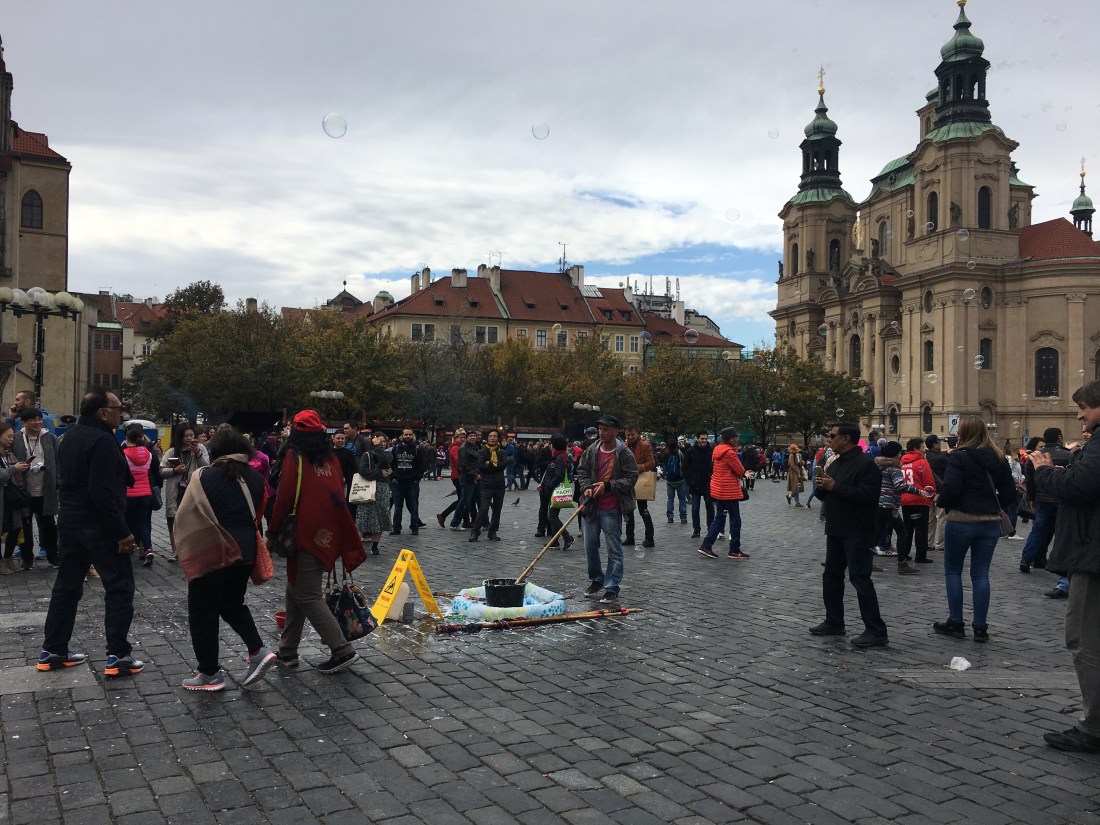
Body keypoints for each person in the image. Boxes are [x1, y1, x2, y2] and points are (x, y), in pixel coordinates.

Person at [38, 389, 144, 677]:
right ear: (102, 412)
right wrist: (122, 531)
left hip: (70, 522)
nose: (121, 414)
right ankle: (118, 655)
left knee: (67, 586)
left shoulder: (70, 436)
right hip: (100, 525)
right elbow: (101, 491)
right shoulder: (103, 440)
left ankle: (53, 649)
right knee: (120, 587)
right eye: (118, 409)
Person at [269, 410, 367, 674]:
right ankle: (287, 651)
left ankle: (342, 650)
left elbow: (284, 497)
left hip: (304, 533)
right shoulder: (331, 456)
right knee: (296, 590)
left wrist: (272, 531)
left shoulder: (294, 456)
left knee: (306, 593)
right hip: (328, 531)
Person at [177, 428, 274, 691]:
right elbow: (259, 513)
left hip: (212, 552)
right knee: (232, 603)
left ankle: (209, 673)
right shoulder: (255, 478)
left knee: (202, 613)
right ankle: (258, 650)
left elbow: (186, 514)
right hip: (245, 552)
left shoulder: (204, 476)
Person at [932, 416, 1016, 642]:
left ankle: (956, 622)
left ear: (963, 433)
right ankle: (980, 627)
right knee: (980, 574)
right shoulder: (999, 457)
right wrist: (993, 505)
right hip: (989, 522)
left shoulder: (959, 456)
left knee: (953, 571)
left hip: (961, 519)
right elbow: (1010, 493)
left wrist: (943, 503)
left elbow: (951, 488)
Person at [810, 421, 889, 648]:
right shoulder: (835, 462)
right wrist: (822, 486)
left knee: (860, 578)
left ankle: (876, 630)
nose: (829, 440)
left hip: (858, 529)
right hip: (836, 527)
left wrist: (835, 486)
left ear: (846, 438)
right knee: (831, 575)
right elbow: (826, 495)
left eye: (832, 436)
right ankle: (834, 621)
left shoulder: (866, 464)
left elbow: (868, 496)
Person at [575, 414, 638, 604]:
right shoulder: (592, 449)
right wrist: (586, 486)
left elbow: (631, 478)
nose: (601, 433)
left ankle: (612, 587)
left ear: (615, 431)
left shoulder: (624, 453)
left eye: (606, 430)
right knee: (589, 546)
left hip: (612, 508)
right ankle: (597, 579)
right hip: (591, 506)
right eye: (600, 429)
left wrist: (609, 486)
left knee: (614, 549)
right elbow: (582, 470)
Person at [11, 407, 60, 569]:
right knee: (25, 525)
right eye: (33, 419)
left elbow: (58, 460)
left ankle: (53, 556)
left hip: (46, 489)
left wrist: (58, 481)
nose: (38, 422)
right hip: (23, 490)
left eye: (39, 419)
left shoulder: (50, 438)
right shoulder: (17, 438)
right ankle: (27, 558)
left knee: (49, 525)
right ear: (24, 422)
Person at [1020, 427, 1072, 573]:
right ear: (1059, 438)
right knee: (1061, 532)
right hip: (1061, 499)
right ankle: (1060, 563)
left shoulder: (1036, 456)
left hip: (1042, 499)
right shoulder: (1068, 455)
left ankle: (1026, 559)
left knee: (1038, 530)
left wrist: (1032, 498)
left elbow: (1030, 481)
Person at [161, 422, 210, 561]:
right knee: (173, 519)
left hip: (193, 489)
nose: (189, 438)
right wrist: (174, 470)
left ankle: (192, 549)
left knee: (193, 519)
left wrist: (198, 453)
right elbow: (161, 470)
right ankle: (175, 550)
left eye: (191, 435)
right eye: (185, 436)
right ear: (180, 437)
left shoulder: (201, 448)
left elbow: (207, 467)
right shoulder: (172, 451)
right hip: (176, 489)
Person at [697, 427, 748, 559]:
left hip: (719, 490)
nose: (737, 439)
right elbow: (739, 470)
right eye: (736, 437)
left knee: (719, 519)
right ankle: (734, 550)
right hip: (729, 491)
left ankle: (706, 545)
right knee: (735, 520)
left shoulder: (717, 450)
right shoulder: (729, 453)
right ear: (731, 439)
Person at [121, 422, 156, 568]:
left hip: (128, 493)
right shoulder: (148, 454)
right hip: (145, 493)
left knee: (127, 523)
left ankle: (128, 550)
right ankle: (148, 549)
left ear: (128, 439)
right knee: (143, 523)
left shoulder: (124, 454)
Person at [899, 437, 936, 567]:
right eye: (922, 447)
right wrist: (930, 497)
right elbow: (929, 483)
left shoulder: (902, 463)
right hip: (920, 499)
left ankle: (904, 553)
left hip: (905, 500)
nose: (924, 450)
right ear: (916, 449)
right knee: (921, 529)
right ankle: (920, 555)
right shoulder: (922, 463)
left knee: (907, 529)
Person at [0, 423, 31, 574]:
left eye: (12, 436)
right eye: (9, 436)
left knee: (15, 527)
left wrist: (22, 468)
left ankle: (8, 558)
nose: (12, 439)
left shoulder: (7, 453)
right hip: (3, 497)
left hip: (11, 496)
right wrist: (14, 468)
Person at [355, 432, 392, 555]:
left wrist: (378, 448)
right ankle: (358, 545)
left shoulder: (387, 454)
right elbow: (363, 471)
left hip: (382, 489)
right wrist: (379, 473)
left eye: (384, 441)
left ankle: (375, 545)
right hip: (367, 488)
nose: (382, 443)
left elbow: (386, 465)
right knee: (363, 517)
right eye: (379, 441)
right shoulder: (367, 455)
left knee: (381, 516)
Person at [469, 430, 510, 542]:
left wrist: (489, 463)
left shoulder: (502, 452)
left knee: (497, 509)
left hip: (499, 485)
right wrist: (494, 465)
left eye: (494, 436)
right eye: (490, 436)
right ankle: (475, 531)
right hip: (486, 484)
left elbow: (503, 465)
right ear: (487, 438)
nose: (492, 438)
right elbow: (481, 467)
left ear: (498, 438)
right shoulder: (482, 451)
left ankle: (493, 531)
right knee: (483, 508)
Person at [536, 434, 575, 550]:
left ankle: (567, 537)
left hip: (555, 491)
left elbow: (559, 475)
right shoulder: (560, 457)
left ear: (555, 446)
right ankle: (554, 541)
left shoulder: (559, 459)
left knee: (552, 516)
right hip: (553, 490)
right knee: (552, 516)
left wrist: (549, 486)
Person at [623, 426, 655, 548]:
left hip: (640, 481)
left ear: (637, 434)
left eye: (632, 434)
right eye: (628, 435)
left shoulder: (645, 446)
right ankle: (630, 537)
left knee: (643, 510)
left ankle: (649, 538)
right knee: (628, 510)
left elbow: (651, 463)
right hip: (627, 482)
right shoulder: (623, 446)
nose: (630, 437)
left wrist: (637, 467)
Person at [389, 428, 425, 536]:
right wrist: (392, 477)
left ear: (412, 435)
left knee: (413, 506)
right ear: (402, 436)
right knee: (397, 507)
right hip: (397, 482)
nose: (408, 436)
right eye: (406, 434)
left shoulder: (417, 448)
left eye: (410, 434)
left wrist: (417, 478)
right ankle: (396, 528)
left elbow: (422, 465)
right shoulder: (395, 448)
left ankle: (414, 527)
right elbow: (390, 464)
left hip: (412, 483)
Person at [683, 431, 714, 539]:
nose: (704, 441)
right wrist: (689, 480)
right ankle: (696, 529)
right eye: (702, 438)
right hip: (695, 483)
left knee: (710, 507)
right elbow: (685, 467)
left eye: (705, 438)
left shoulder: (711, 451)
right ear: (697, 439)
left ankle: (711, 529)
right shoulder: (690, 451)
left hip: (708, 483)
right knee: (695, 508)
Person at [436, 429, 468, 528]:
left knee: (464, 499)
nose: (462, 439)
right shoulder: (455, 448)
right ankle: (443, 515)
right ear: (456, 438)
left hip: (461, 475)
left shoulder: (462, 447)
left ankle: (466, 520)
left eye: (464, 437)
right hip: (457, 476)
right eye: (460, 437)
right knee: (462, 500)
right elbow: (458, 462)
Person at [924, 435, 948, 552]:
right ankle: (940, 544)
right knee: (941, 518)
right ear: (934, 445)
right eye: (938, 443)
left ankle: (928, 543)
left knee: (930, 519)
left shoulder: (925, 457)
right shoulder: (941, 458)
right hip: (939, 491)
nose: (940, 445)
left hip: (928, 491)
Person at [664, 438, 688, 524]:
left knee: (670, 499)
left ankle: (670, 517)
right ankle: (683, 517)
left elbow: (664, 466)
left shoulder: (666, 454)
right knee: (682, 499)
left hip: (669, 480)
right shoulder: (680, 453)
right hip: (680, 479)